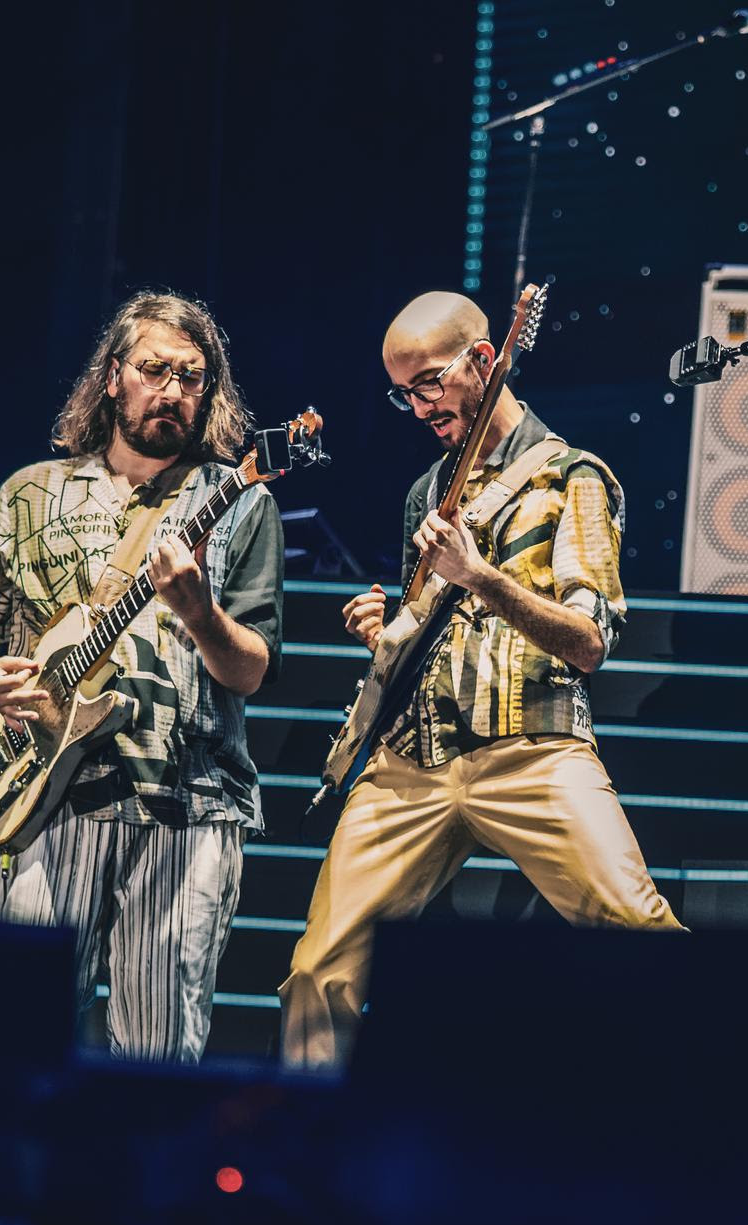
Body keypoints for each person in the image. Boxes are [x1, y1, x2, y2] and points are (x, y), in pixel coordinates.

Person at [280, 292, 681, 1069]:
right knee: (315, 971)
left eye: (429, 383)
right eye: (404, 393)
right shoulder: (425, 493)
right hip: (411, 760)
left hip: (532, 747)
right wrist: (382, 631)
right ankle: (303, 1153)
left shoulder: (575, 478)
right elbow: (423, 632)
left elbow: (590, 641)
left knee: (642, 933)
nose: (419, 406)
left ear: (485, 361)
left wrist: (482, 575)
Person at [0, 291, 286, 1061]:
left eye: (193, 377)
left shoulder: (240, 502)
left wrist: (198, 609)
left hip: (187, 805)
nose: (173, 390)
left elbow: (252, 667)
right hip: (43, 799)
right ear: (113, 378)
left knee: (159, 1055)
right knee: (19, 1041)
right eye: (155, 370)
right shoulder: (31, 493)